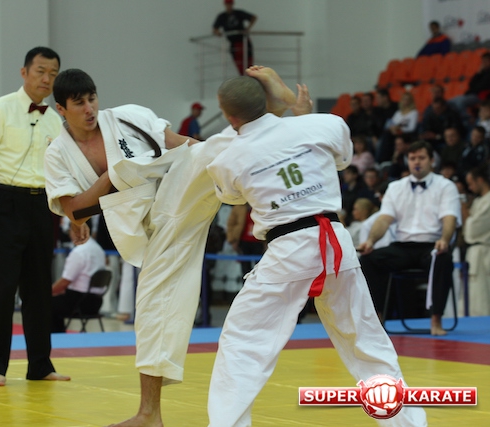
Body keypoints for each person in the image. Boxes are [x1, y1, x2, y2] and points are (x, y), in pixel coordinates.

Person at [44, 65, 302, 427]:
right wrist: (112, 176)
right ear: (61, 109)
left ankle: (275, 109)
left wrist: (213, 159)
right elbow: (73, 209)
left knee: (210, 149)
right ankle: (151, 413)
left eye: (92, 99)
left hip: (173, 193)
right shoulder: (57, 153)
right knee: (153, 309)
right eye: (79, 103)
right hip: (146, 230)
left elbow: (181, 144)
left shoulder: (127, 117)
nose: (90, 109)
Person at [205, 75, 427, 427]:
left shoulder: (227, 159)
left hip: (288, 250)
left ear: (229, 116)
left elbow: (232, 197)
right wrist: (301, 114)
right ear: (269, 99)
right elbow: (341, 159)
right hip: (337, 244)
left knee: (244, 343)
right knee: (367, 342)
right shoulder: (324, 124)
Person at [0, 46, 69, 386]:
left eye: (53, 74)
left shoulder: (56, 119)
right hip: (4, 201)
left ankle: (40, 365)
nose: (47, 79)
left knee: (39, 289)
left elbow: (62, 172)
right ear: (24, 72)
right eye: (41, 71)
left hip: (42, 204)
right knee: (4, 286)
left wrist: (74, 217)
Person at [358, 141, 461, 336]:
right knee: (369, 260)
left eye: (421, 158)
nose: (417, 162)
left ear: (432, 160)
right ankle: (377, 317)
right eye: (413, 158)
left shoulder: (446, 186)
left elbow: (450, 218)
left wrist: (445, 240)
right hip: (402, 248)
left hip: (432, 246)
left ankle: (436, 319)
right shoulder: (395, 187)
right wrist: (371, 241)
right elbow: (384, 219)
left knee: (443, 259)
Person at [51, 236, 106, 332]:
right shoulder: (99, 249)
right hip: (97, 302)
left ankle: (56, 336)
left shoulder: (79, 252)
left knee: (46, 303)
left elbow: (64, 282)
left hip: (79, 304)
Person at [463, 163, 490, 316]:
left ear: (480, 180)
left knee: (482, 297)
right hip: (474, 252)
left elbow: (473, 229)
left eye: (471, 183)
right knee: (473, 297)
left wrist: (464, 209)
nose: (470, 188)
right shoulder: (479, 201)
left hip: (484, 252)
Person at [212, 0, 257, 75]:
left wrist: (248, 28)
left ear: (232, 4)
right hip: (234, 44)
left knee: (249, 66)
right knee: (240, 66)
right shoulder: (222, 16)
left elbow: (253, 17)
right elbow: (215, 29)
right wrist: (218, 33)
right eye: (227, 4)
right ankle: (244, 79)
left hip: (244, 42)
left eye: (230, 4)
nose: (229, 6)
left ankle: (249, 79)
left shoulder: (238, 13)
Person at [450, 52, 490, 126]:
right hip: (472, 94)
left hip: (480, 96)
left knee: (460, 102)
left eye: (486, 61)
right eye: (483, 61)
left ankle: (468, 119)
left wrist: (474, 88)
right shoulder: (482, 73)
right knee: (451, 102)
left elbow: (481, 87)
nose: (484, 63)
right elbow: (471, 84)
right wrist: (478, 73)